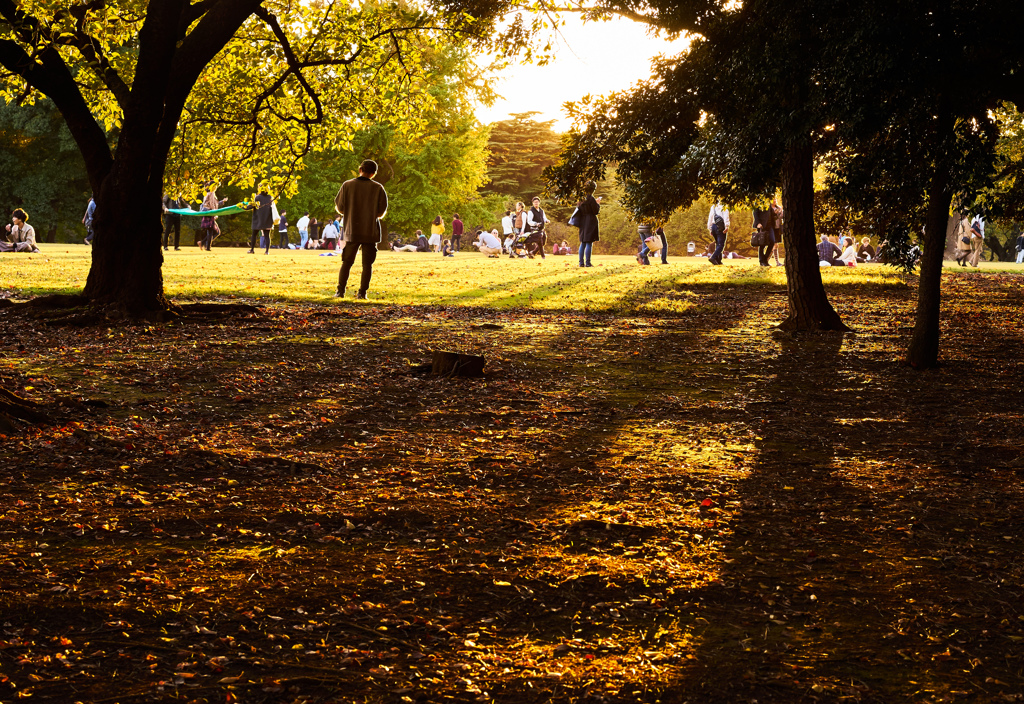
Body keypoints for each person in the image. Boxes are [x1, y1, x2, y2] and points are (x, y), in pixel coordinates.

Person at [334, 159, 388, 299]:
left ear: (360, 169)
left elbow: (340, 208)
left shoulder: (347, 185)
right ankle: (362, 293)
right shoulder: (378, 188)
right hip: (370, 230)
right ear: (374, 173)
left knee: (347, 262)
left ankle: (340, 291)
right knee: (367, 265)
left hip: (352, 230)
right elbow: (381, 212)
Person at [199, 182, 227, 251]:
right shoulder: (211, 193)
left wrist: (223, 201)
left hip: (207, 212)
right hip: (209, 212)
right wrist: (214, 213)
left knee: (212, 231)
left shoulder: (207, 193)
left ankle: (203, 243)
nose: (216, 187)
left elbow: (215, 204)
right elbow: (211, 204)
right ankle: (206, 246)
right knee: (212, 231)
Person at [247, 186, 274, 254]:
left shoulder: (257, 197)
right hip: (267, 218)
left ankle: (252, 249)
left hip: (258, 219)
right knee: (267, 235)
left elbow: (252, 206)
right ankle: (267, 251)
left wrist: (243, 207)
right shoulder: (270, 197)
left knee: (254, 234)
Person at [769, 197, 784, 265]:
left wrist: (781, 212)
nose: (774, 200)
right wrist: (777, 213)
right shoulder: (769, 209)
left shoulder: (779, 208)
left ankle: (767, 260)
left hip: (778, 228)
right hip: (772, 228)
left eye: (775, 199)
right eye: (773, 199)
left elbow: (781, 217)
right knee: (774, 245)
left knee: (776, 245)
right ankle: (776, 262)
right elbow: (773, 218)